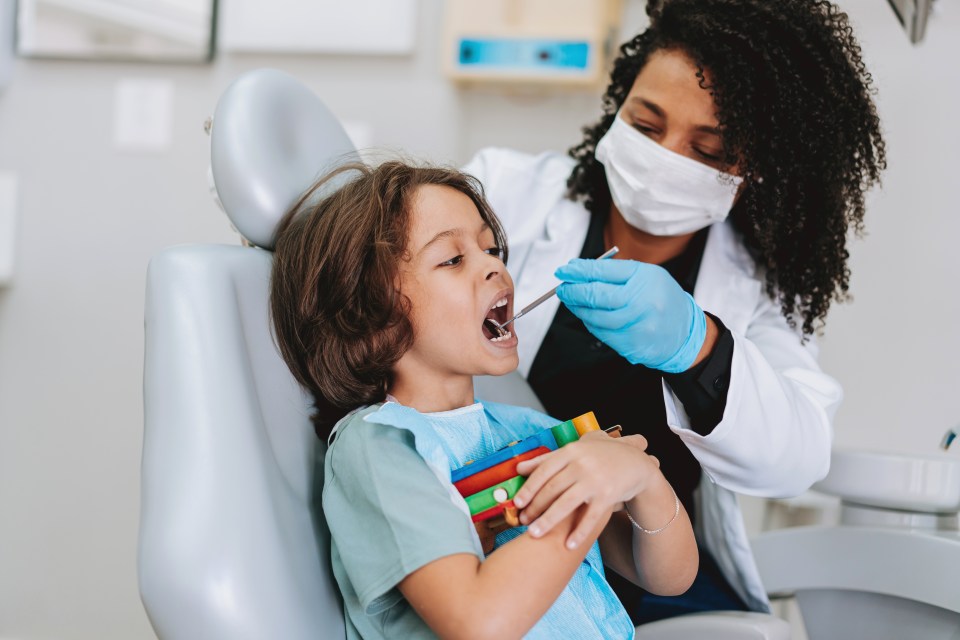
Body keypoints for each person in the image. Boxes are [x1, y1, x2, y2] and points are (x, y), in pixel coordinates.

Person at [462, 0, 887, 624]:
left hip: (650, 569)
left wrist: (700, 347)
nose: (666, 159)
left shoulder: (759, 286)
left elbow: (797, 459)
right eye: (646, 122)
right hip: (498, 531)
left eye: (709, 150)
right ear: (618, 106)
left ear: (755, 169)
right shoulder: (505, 195)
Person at [269, 159, 699, 639]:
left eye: (491, 249)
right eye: (453, 259)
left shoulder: (527, 430)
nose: (495, 265)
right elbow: (476, 623)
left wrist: (643, 478)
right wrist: (589, 490)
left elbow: (668, 577)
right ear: (369, 317)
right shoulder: (379, 448)